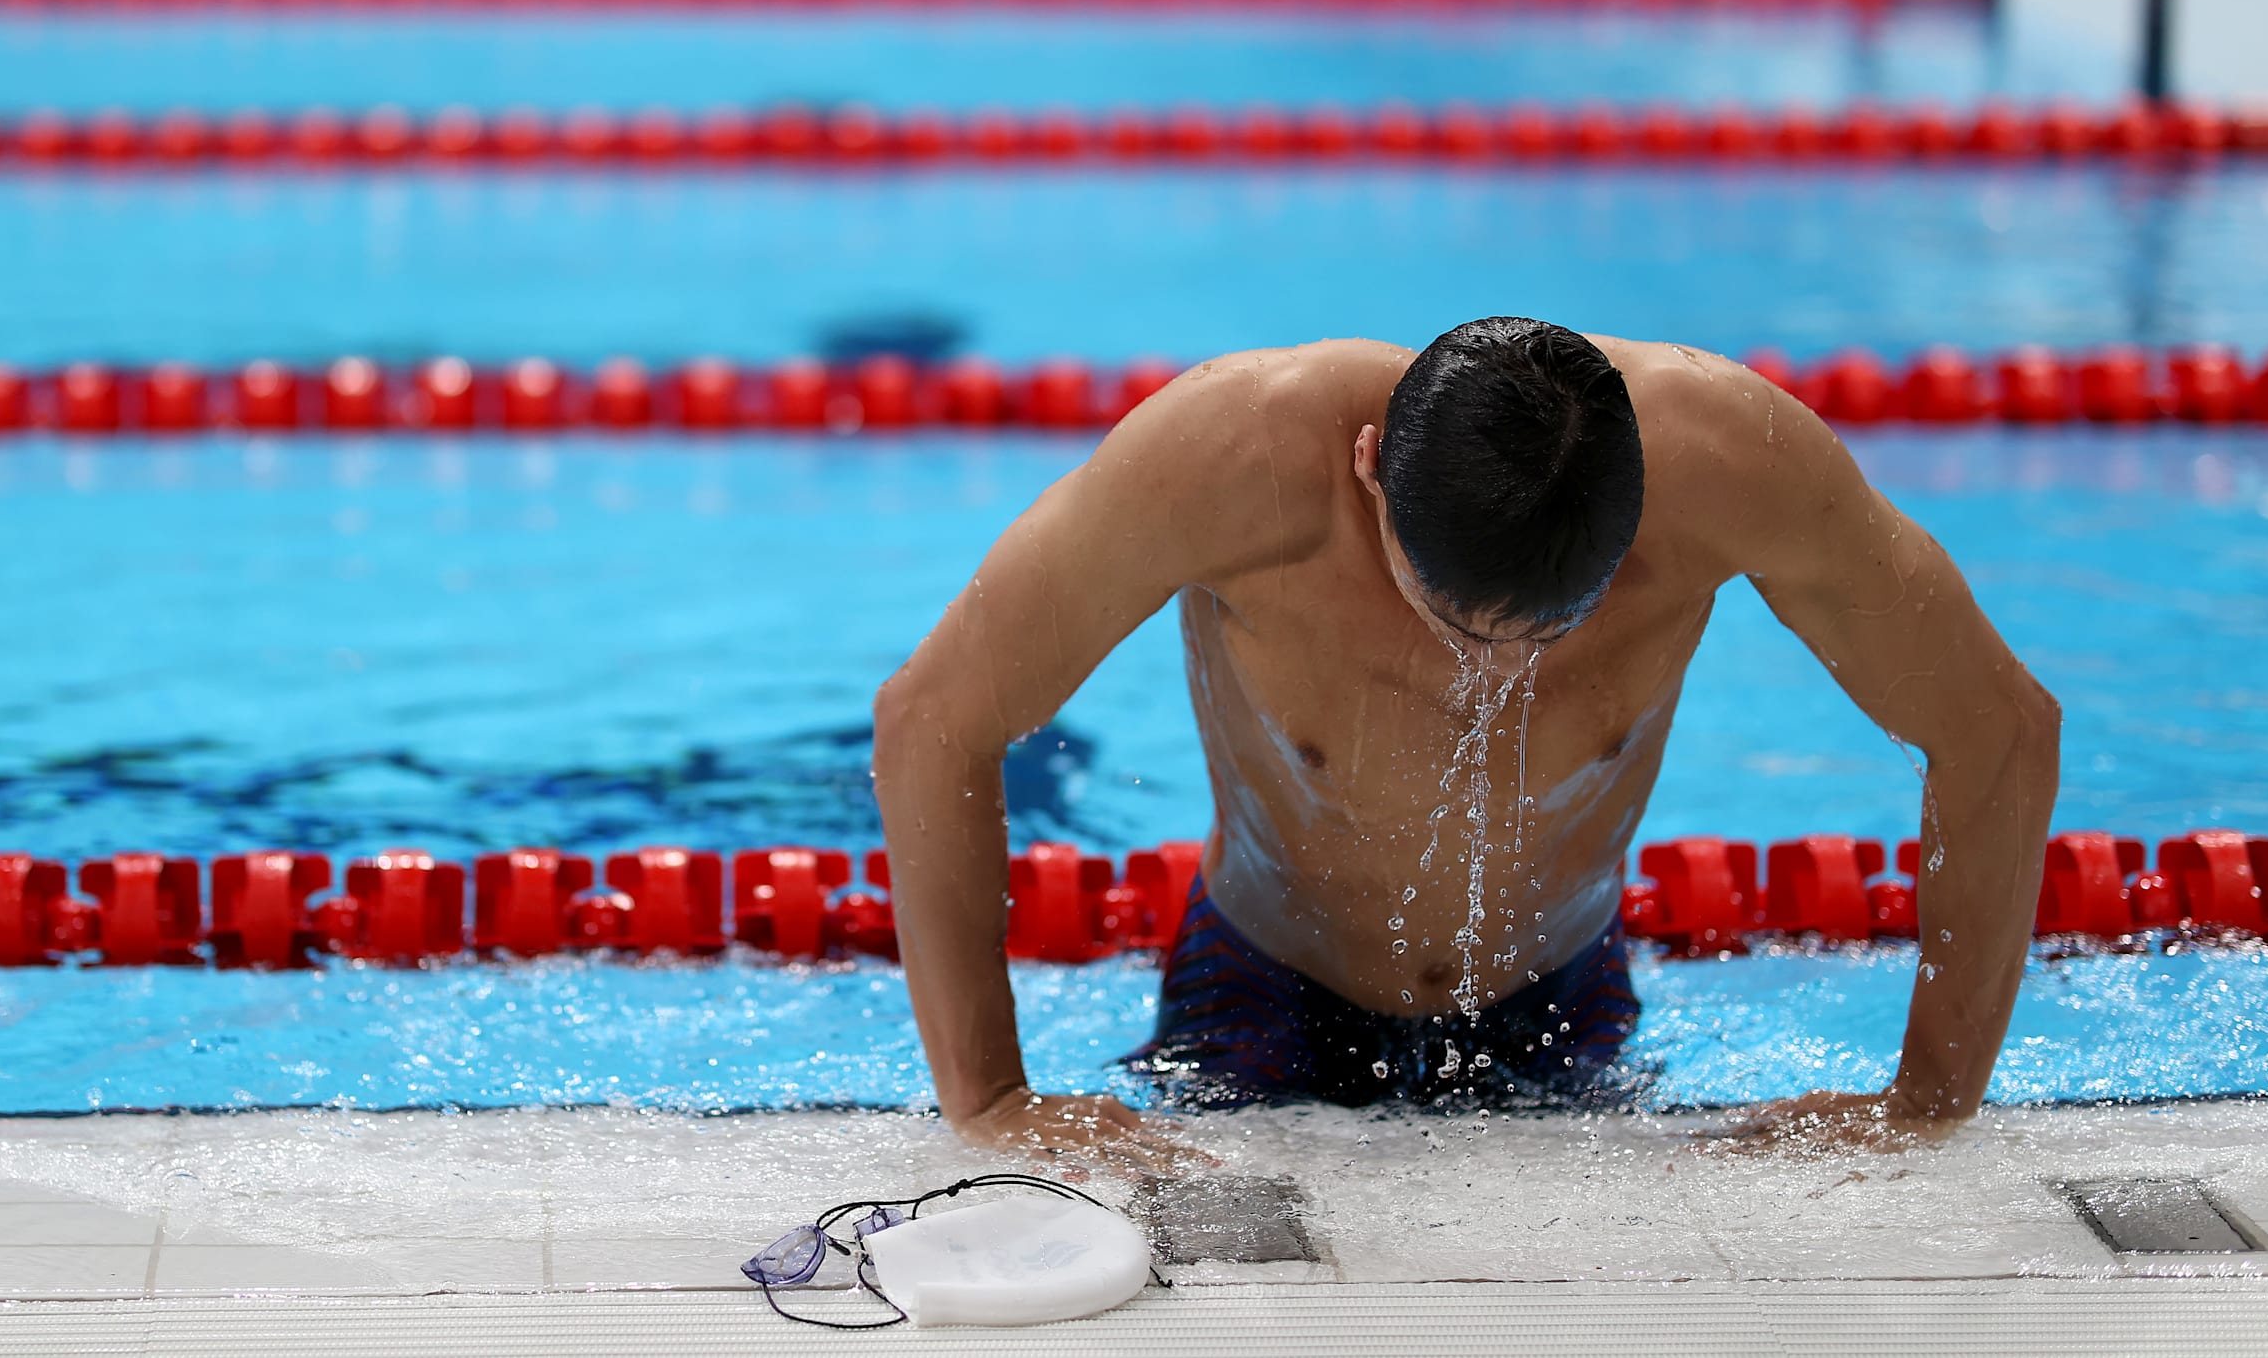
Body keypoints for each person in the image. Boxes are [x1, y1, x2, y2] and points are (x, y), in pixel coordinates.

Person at [871, 319, 2060, 1172]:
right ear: (1369, 470)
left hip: (1559, 997)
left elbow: (1999, 730)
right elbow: (933, 716)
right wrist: (992, 1099)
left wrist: (1927, 1101)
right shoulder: (1232, 461)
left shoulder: (1736, 467)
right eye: (1454, 627)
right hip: (1265, 992)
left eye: (1550, 636)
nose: (1495, 677)